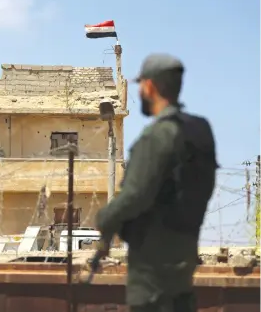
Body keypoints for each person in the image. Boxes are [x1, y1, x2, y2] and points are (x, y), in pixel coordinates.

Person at [94, 54, 219, 312]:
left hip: (152, 276)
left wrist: (105, 218)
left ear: (149, 86)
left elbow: (135, 196)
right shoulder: (200, 131)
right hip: (183, 262)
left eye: (141, 85)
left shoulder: (157, 136)